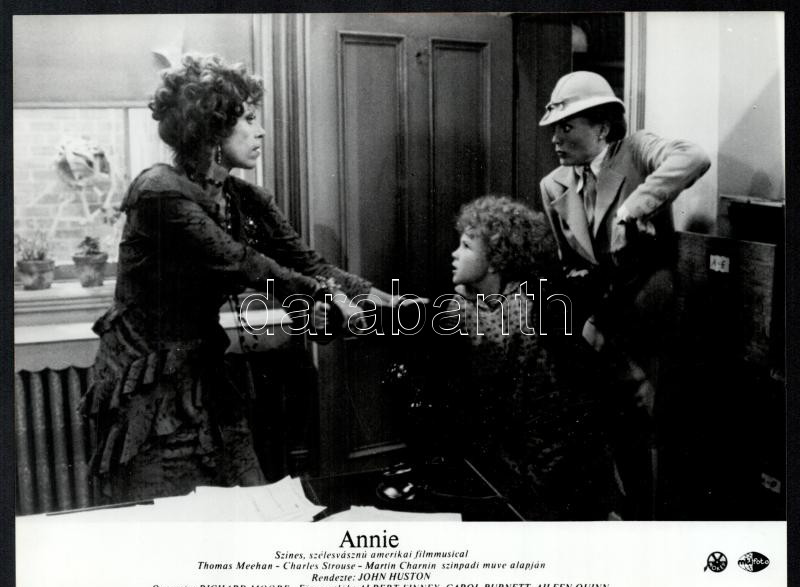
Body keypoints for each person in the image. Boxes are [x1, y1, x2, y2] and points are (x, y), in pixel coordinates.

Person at [78, 54, 397, 504]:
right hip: (150, 384)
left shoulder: (245, 198)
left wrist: (376, 296)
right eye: (248, 119)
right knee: (169, 515)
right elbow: (243, 263)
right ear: (211, 128)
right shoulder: (159, 191)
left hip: (205, 372)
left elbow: (306, 261)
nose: (261, 130)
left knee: (248, 500)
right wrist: (325, 295)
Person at [538, 70, 711, 518]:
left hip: (648, 318)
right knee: (603, 424)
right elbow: (570, 264)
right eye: (554, 128)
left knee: (648, 426)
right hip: (600, 321)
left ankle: (648, 523)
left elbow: (694, 156)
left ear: (602, 128)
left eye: (567, 126)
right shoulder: (554, 185)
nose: (556, 138)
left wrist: (635, 207)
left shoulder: (635, 151)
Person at [426, 195, 616, 520]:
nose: (455, 254)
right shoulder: (464, 305)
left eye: (466, 246)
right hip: (511, 448)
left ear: (496, 260)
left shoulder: (529, 302)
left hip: (555, 451)